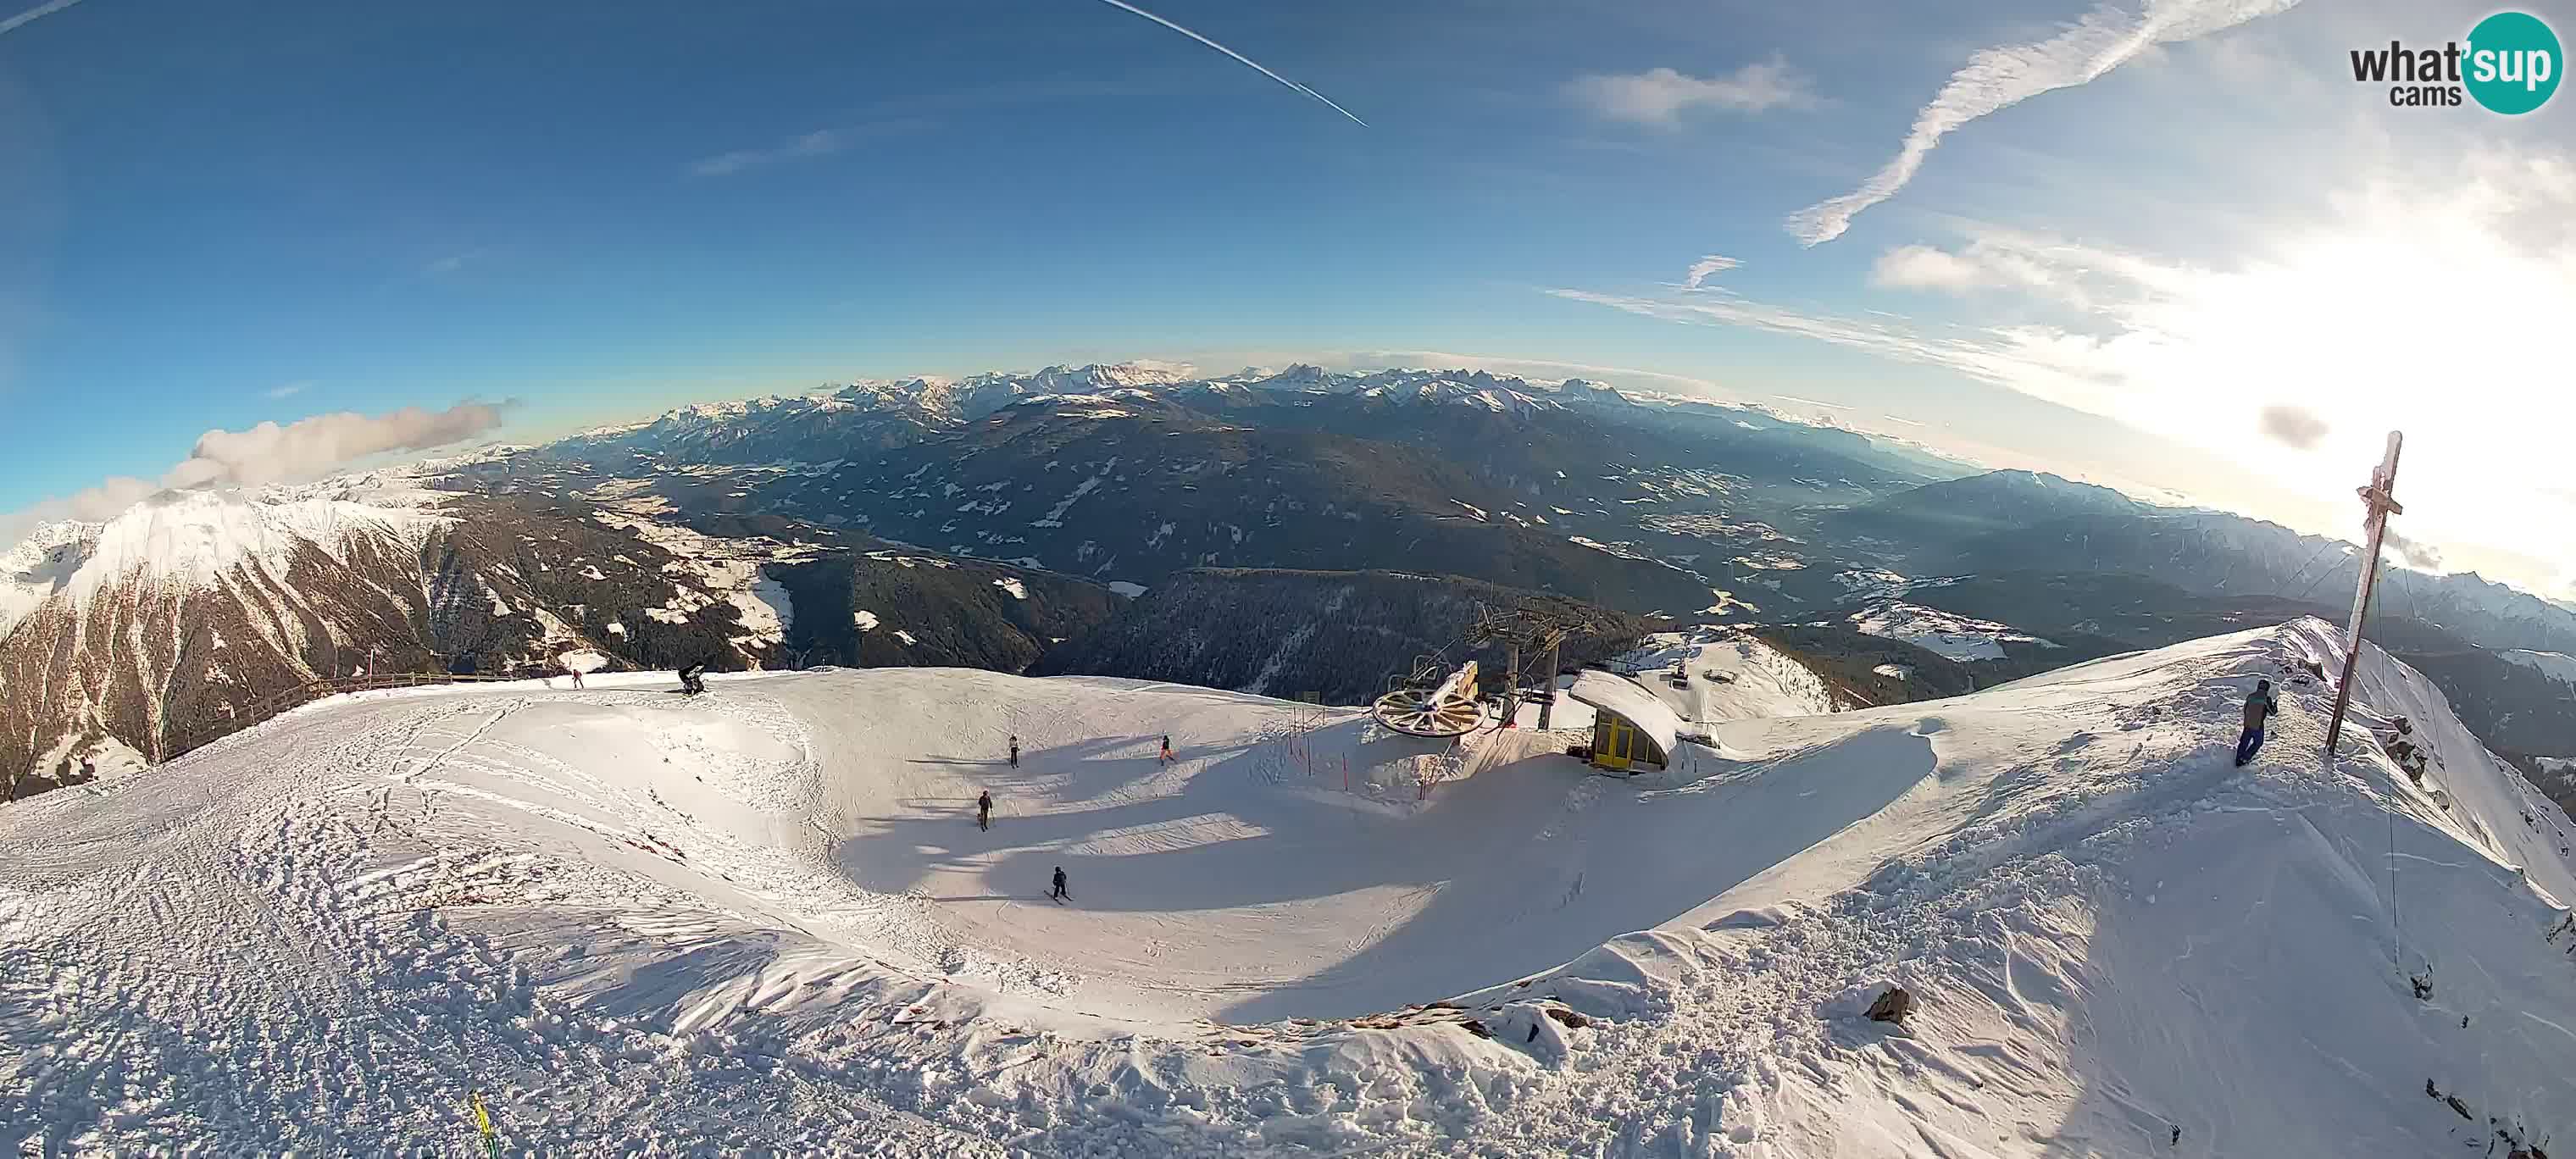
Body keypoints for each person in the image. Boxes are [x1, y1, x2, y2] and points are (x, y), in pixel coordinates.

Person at [2234, 679, 2279, 767]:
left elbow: (2245, 709)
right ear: (2267, 689)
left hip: (2247, 723)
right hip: (2257, 725)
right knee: (2258, 742)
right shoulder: (2266, 699)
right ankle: (2245, 758)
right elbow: (2272, 713)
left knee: (2244, 743)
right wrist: (2275, 706)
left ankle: (2238, 760)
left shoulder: (2250, 696)